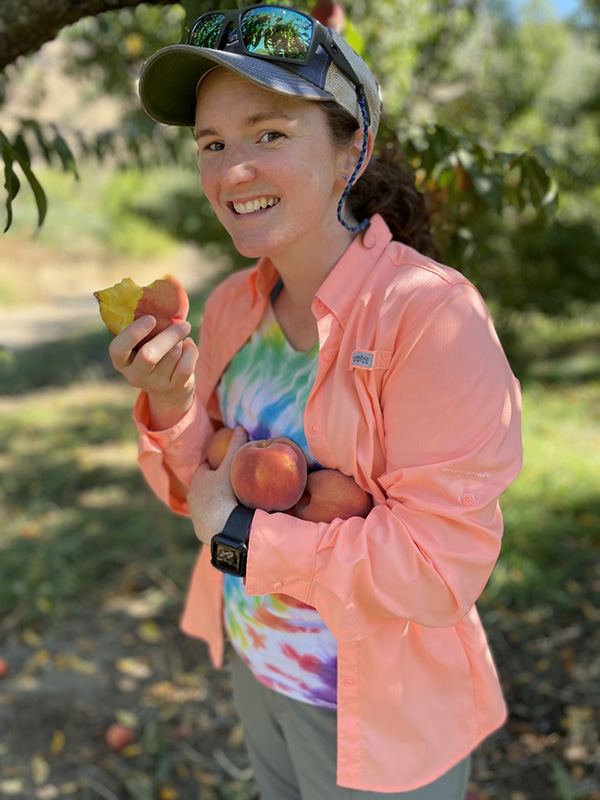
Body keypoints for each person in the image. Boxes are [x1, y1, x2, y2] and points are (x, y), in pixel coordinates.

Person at [108, 5, 523, 798]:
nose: (232, 172)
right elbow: (185, 485)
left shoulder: (430, 316)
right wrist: (170, 403)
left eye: (269, 134)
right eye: (212, 144)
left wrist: (238, 538)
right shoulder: (233, 305)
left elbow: (439, 568)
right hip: (260, 669)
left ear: (349, 151)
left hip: (380, 716)